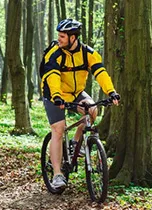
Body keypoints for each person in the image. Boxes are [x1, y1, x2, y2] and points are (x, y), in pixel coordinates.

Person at [40, 19, 121, 189]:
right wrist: (56, 96)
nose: (59, 39)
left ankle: (76, 144)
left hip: (76, 93)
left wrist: (111, 92)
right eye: (59, 35)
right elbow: (52, 77)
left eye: (62, 36)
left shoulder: (88, 53)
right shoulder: (54, 53)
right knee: (59, 129)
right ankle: (57, 175)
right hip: (54, 94)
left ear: (73, 37)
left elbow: (100, 72)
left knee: (92, 110)